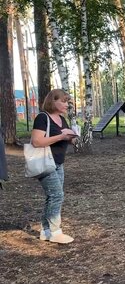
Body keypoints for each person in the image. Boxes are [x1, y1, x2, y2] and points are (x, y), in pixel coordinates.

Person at [31, 89, 79, 244]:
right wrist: (61, 136)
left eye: (68, 102)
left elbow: (64, 139)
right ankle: (55, 232)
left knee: (52, 196)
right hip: (45, 162)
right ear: (53, 101)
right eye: (64, 101)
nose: (67, 105)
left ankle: (46, 231)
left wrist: (72, 138)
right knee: (57, 195)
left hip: (58, 163)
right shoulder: (42, 118)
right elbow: (36, 142)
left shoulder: (61, 119)